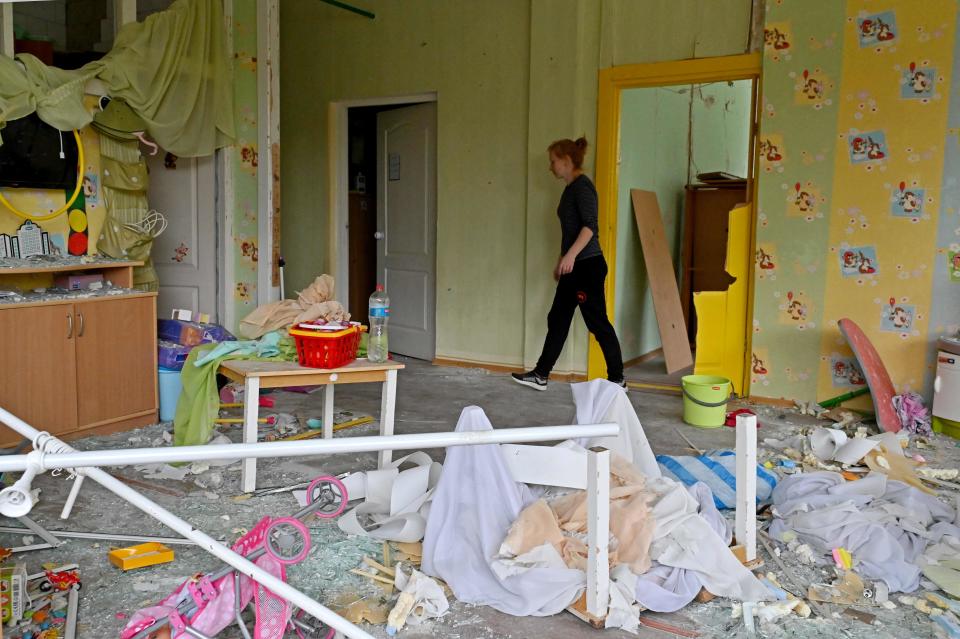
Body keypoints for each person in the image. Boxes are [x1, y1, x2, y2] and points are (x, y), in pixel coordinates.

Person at [513, 137, 626, 391]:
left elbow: (589, 227)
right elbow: (572, 231)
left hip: (587, 266)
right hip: (574, 267)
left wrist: (570, 256)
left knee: (597, 322)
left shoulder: (583, 187)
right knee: (558, 317)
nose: (550, 167)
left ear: (565, 161)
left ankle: (618, 378)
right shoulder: (571, 188)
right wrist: (562, 260)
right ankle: (541, 375)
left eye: (552, 161)